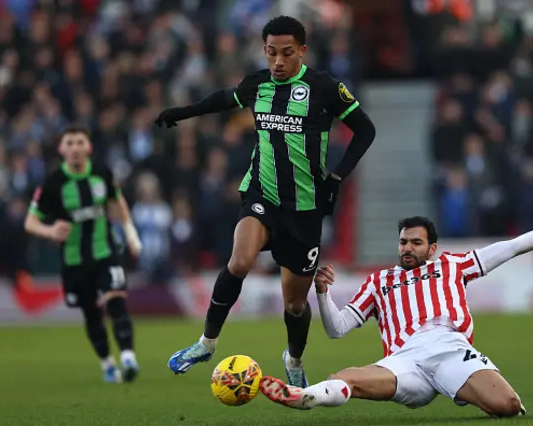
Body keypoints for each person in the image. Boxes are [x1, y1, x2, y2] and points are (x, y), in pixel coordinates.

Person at [156, 15, 376, 386]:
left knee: (294, 304)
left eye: (286, 53)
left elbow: (365, 131)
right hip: (262, 193)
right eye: (271, 52)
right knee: (239, 261)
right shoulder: (258, 84)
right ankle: (207, 343)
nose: (277, 61)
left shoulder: (324, 88)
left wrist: (337, 176)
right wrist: (184, 112)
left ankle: (293, 359)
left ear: (302, 51)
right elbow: (224, 99)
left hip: (304, 210)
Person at [259, 206, 533, 416]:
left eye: (416, 242)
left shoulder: (454, 265)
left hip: (449, 349)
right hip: (404, 361)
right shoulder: (380, 281)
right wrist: (323, 294)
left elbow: (512, 247)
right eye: (403, 242)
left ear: (432, 248)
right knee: (344, 378)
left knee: (507, 407)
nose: (407, 248)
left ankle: (467, 387)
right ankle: (305, 396)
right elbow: (337, 329)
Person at [24, 124, 143, 384]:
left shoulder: (102, 173)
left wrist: (130, 233)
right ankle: (107, 363)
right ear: (61, 149)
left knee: (116, 300)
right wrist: (50, 231)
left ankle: (128, 357)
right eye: (70, 143)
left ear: (88, 147)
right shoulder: (53, 183)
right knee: (91, 314)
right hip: (75, 260)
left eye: (80, 142)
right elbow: (30, 222)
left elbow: (117, 202)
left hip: (106, 250)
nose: (75, 148)